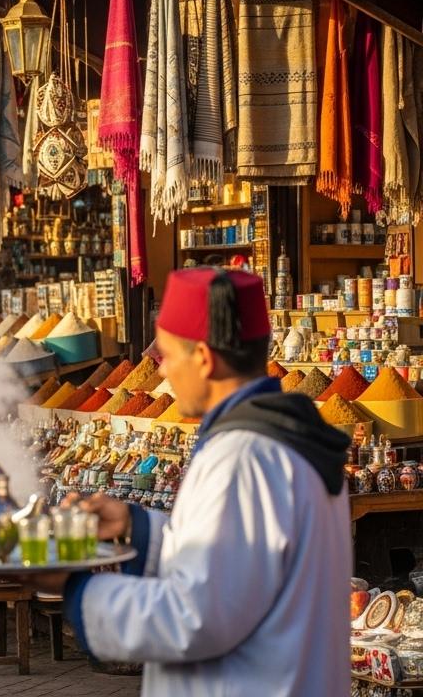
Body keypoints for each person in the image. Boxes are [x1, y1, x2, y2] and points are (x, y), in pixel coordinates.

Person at [38, 268, 350, 695]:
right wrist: (137, 525)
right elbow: (240, 567)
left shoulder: (244, 457)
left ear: (203, 358)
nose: (160, 366)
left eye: (167, 354)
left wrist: (74, 588)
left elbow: (198, 615)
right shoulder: (284, 436)